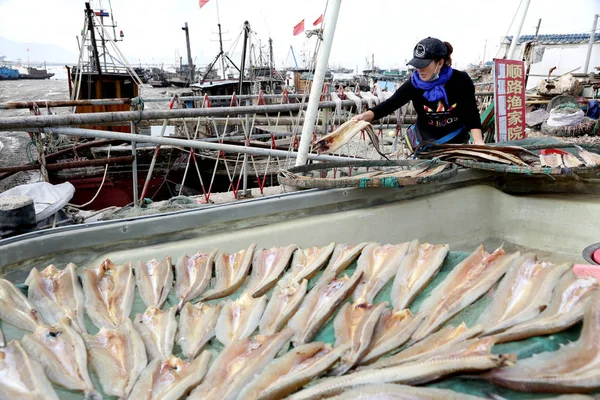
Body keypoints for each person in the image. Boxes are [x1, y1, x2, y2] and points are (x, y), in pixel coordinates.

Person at [354, 37, 485, 152]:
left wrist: (479, 142)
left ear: (440, 62)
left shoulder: (460, 80)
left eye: (424, 64)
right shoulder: (414, 83)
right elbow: (391, 103)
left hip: (456, 142)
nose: (419, 69)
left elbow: (471, 114)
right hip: (426, 142)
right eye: (417, 65)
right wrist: (365, 116)